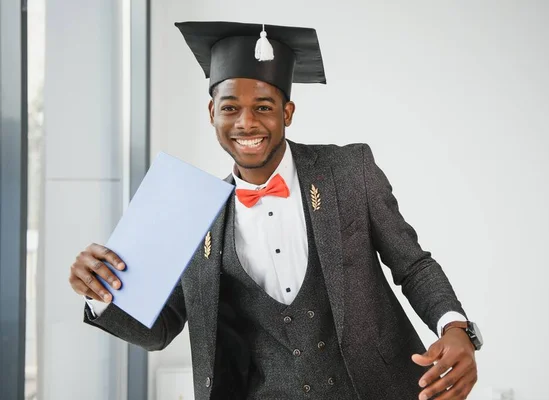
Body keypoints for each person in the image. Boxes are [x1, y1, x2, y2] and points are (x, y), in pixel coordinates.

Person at [68, 21, 482, 400]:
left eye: (263, 107)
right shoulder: (188, 214)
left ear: (287, 112)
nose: (246, 123)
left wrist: (455, 327)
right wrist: (100, 293)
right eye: (230, 107)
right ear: (212, 114)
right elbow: (160, 330)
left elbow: (413, 266)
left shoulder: (349, 170)